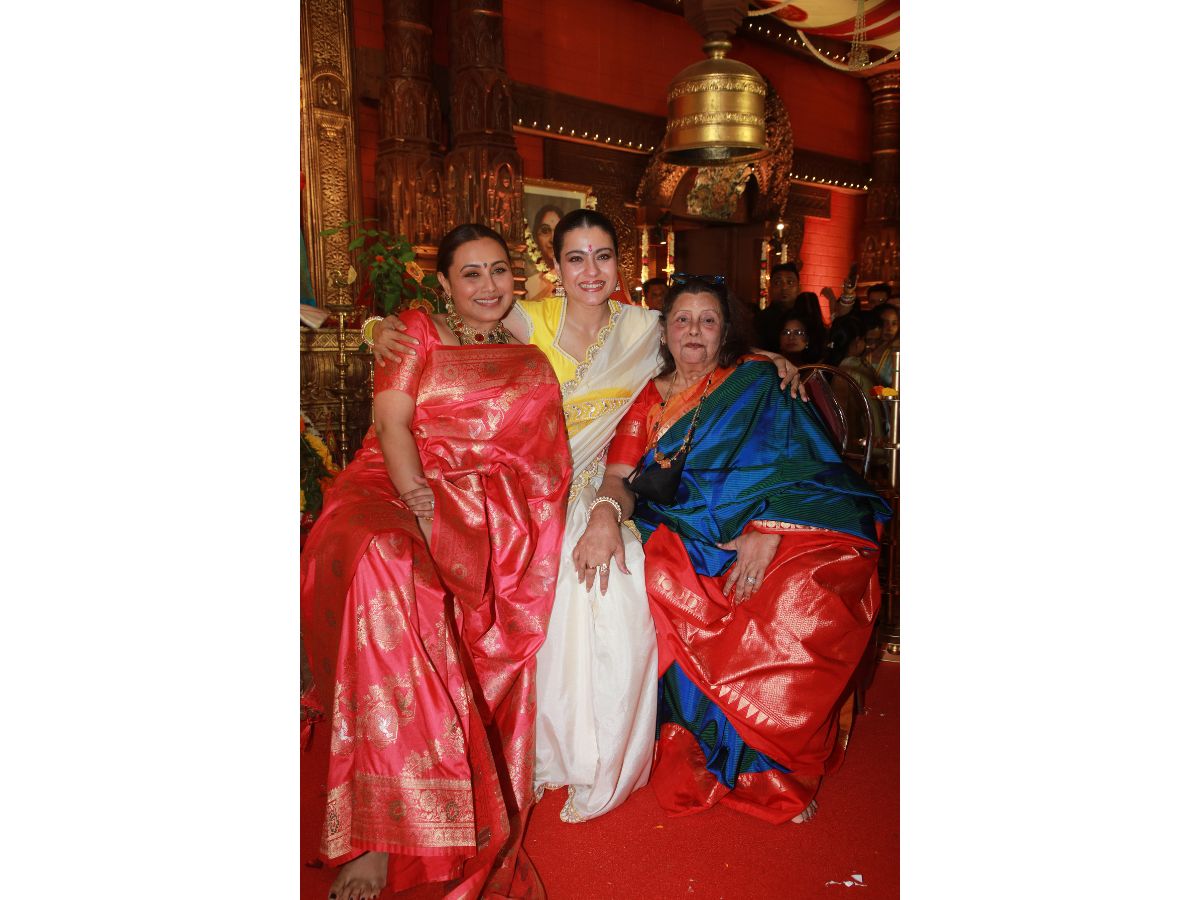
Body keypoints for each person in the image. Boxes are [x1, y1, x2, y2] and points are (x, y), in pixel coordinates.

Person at [371, 210, 807, 825]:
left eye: (602, 256)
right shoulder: (524, 317)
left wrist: (768, 356)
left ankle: (595, 759)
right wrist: (381, 328)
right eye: (575, 258)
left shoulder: (643, 326)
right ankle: (527, 745)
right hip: (518, 485)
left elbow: (704, 333)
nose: (591, 272)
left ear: (619, 263)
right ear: (554, 266)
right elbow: (454, 321)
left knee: (615, 585)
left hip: (601, 486)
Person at [301, 224, 573, 899]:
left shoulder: (529, 360)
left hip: (480, 508)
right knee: (388, 560)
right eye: (471, 273)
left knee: (418, 581)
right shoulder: (414, 332)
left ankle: (414, 813)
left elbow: (541, 466)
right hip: (387, 486)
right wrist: (421, 501)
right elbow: (390, 424)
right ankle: (375, 835)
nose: (488, 285)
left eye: (499, 270)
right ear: (446, 283)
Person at [572, 277, 890, 826]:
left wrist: (767, 529)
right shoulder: (646, 397)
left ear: (726, 332)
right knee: (669, 580)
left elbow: (804, 465)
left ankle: (773, 765)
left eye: (708, 320)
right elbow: (620, 478)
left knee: (810, 582)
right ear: (664, 331)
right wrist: (603, 511)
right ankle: (710, 753)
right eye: (682, 319)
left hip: (764, 523)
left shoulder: (756, 382)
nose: (694, 331)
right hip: (677, 528)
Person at [524, 203, 563, 301]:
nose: (552, 239)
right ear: (535, 237)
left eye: (559, 231)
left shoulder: (576, 280)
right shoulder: (528, 286)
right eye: (545, 231)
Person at [861, 302, 899, 388]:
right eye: (885, 322)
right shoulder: (860, 350)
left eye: (894, 323)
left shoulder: (897, 354)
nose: (890, 328)